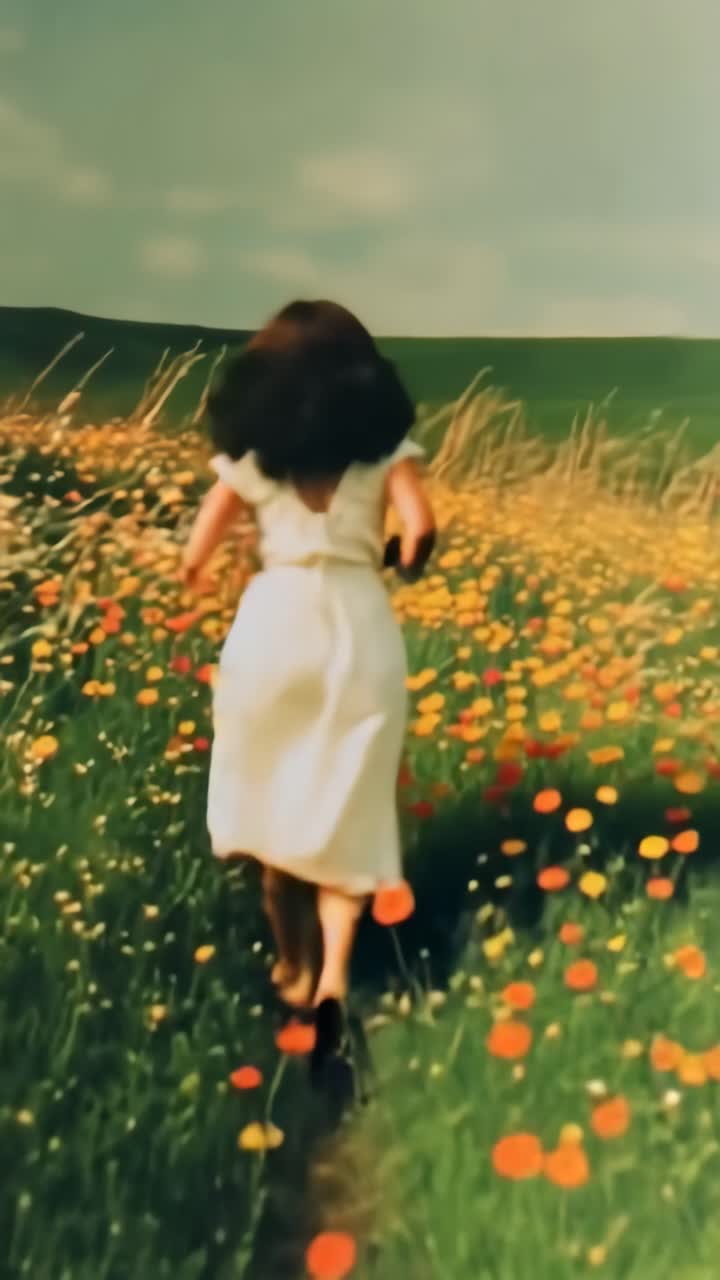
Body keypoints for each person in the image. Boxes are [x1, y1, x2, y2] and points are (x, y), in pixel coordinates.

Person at [181, 299, 436, 1015]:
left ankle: (294, 967)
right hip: (358, 629)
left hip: (276, 627)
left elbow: (198, 549)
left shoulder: (250, 467)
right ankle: (334, 977)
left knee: (273, 804)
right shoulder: (388, 459)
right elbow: (420, 530)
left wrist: (199, 572)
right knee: (347, 806)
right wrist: (402, 556)